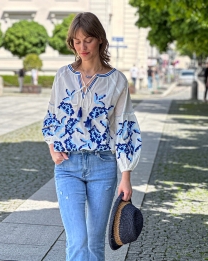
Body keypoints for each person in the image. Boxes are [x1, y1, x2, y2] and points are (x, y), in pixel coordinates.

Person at [42, 12, 142, 261]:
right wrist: (52, 148)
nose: (82, 47)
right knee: (77, 241)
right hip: (68, 167)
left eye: (87, 39)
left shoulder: (117, 80)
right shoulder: (63, 76)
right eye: (76, 41)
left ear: (99, 39)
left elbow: (125, 127)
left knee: (95, 244)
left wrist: (126, 176)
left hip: (103, 166)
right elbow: (52, 116)